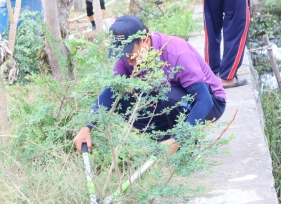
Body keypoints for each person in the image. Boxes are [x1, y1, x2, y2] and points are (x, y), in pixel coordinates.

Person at [73, 16, 227, 155]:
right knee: (123, 99)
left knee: (169, 95)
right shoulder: (126, 59)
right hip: (167, 99)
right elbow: (112, 92)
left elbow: (204, 100)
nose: (127, 59)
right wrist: (87, 127)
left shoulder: (177, 53)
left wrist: (179, 138)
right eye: (122, 53)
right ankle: (166, 141)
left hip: (209, 102)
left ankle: (184, 144)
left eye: (129, 52)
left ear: (145, 40)